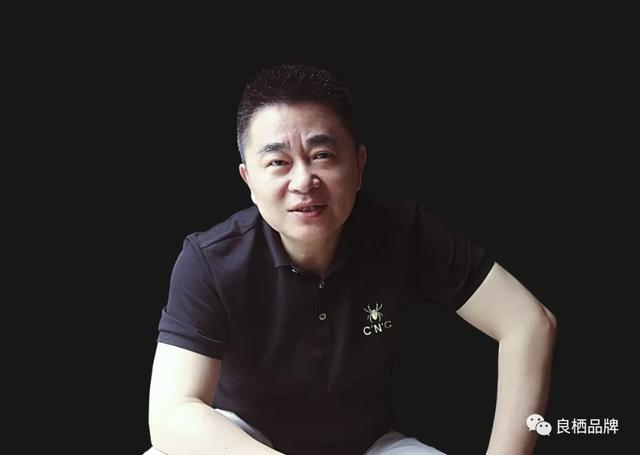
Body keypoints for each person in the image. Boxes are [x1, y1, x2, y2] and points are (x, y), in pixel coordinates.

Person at [145, 64, 557, 455]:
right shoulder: (211, 260)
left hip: (368, 446)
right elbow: (171, 412)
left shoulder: (404, 232)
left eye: (322, 155)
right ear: (249, 179)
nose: (303, 181)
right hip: (246, 441)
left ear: (358, 166)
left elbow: (529, 323)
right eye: (278, 163)